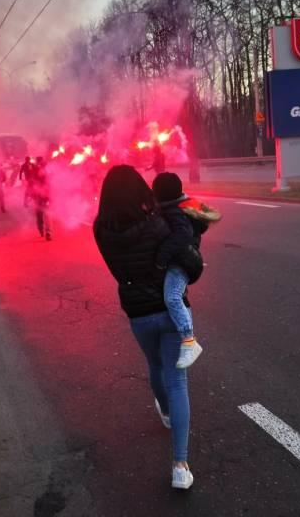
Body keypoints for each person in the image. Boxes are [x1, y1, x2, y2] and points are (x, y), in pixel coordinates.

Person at [93, 165, 202, 490]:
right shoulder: (158, 223)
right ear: (142, 190)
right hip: (169, 310)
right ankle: (180, 466)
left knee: (154, 365)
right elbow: (183, 247)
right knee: (177, 380)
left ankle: (165, 413)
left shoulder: (100, 229)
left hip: (137, 311)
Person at [152, 172, 221, 369]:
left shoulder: (174, 211)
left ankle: (189, 341)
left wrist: (161, 258)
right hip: (183, 259)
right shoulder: (181, 207)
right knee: (175, 295)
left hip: (180, 262)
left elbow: (182, 235)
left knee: (172, 297)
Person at [31, 156, 51, 240]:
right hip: (41, 195)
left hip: (41, 196)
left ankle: (45, 231)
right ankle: (47, 231)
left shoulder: (37, 170)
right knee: (45, 214)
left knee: (41, 214)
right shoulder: (39, 170)